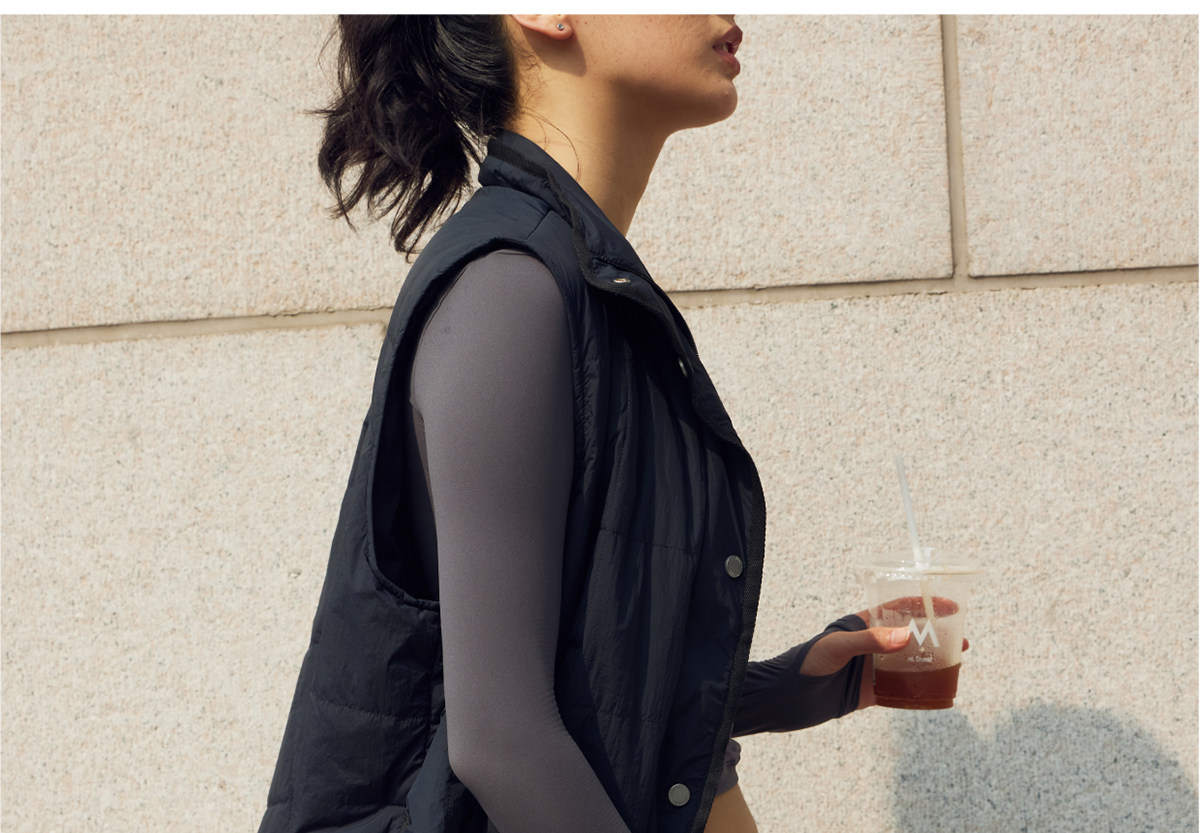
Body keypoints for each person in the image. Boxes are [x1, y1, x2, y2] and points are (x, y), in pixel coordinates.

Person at [258, 15, 915, 833]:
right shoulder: (511, 290)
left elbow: (577, 674)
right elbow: (502, 740)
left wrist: (773, 687)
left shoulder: (588, 288)